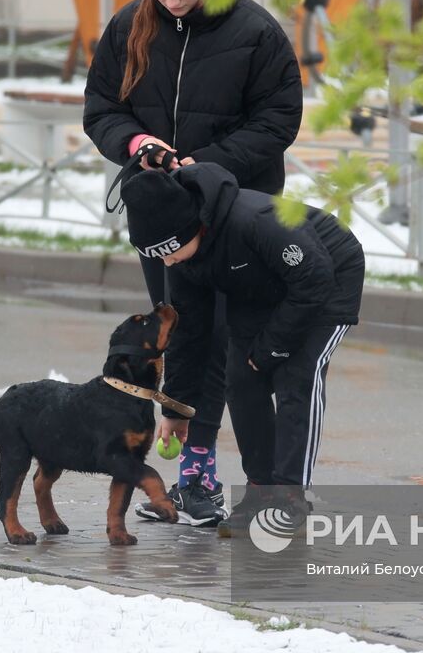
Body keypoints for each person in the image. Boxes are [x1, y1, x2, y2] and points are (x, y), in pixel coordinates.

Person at [84, 0, 303, 526]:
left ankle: (208, 471)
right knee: (180, 335)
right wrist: (138, 146)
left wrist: (200, 168)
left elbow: (277, 122)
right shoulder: (131, 24)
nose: (171, 1)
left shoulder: (256, 32)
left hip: (236, 217)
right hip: (163, 221)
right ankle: (190, 474)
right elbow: (102, 107)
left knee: (229, 346)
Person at [119, 163, 364, 534]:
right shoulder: (182, 258)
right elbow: (190, 333)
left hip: (327, 279)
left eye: (169, 252)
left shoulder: (256, 220)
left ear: (189, 228)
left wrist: (271, 349)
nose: (167, 262)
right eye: (159, 256)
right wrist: (176, 407)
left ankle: (290, 497)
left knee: (297, 376)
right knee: (241, 379)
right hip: (261, 288)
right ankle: (261, 491)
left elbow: (313, 281)